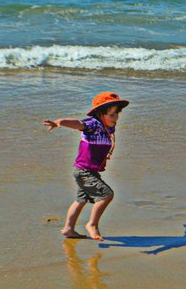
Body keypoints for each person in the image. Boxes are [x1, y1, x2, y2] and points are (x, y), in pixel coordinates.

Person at [43, 92, 129, 241]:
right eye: (112, 115)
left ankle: (68, 229)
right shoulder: (93, 124)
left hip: (88, 172)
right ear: (100, 114)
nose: (116, 118)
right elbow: (78, 124)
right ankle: (92, 224)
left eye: (117, 114)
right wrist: (60, 122)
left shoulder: (108, 128)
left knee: (80, 200)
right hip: (84, 172)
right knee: (107, 195)